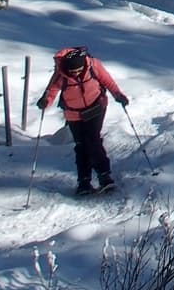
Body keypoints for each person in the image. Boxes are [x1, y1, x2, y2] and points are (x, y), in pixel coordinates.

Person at [36, 46, 129, 195]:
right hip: (74, 114)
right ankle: (84, 181)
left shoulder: (93, 65)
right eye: (72, 72)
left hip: (96, 107)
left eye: (78, 70)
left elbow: (107, 80)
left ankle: (104, 176)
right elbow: (52, 90)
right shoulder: (61, 73)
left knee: (93, 140)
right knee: (81, 146)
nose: (76, 73)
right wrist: (45, 101)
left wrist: (118, 95)